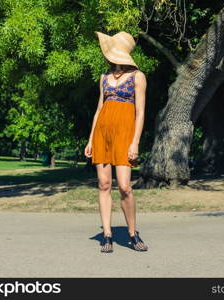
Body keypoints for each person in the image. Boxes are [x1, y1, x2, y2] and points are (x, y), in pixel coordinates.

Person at [84, 31, 148, 253]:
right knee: (103, 184)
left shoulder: (137, 77)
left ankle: (132, 233)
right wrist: (91, 139)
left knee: (124, 187)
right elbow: (99, 109)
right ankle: (107, 235)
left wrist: (135, 142)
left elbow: (140, 113)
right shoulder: (104, 78)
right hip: (102, 134)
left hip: (124, 136)